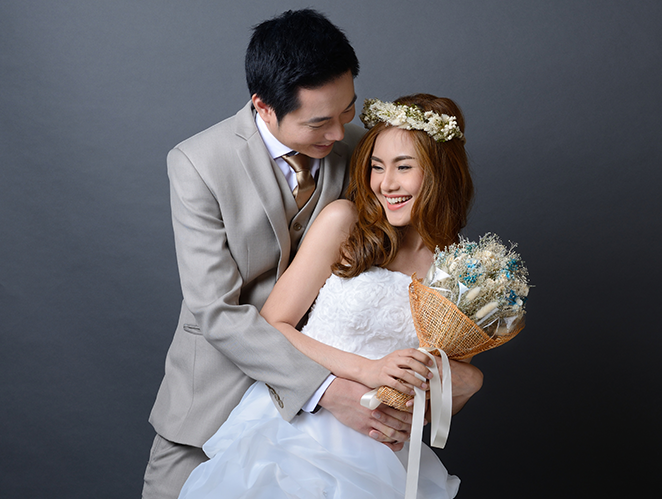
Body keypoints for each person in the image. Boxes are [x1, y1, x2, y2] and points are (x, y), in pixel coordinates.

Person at [143, 10, 444, 498]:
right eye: (319, 122)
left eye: (347, 111)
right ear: (264, 107)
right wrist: (327, 390)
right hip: (214, 398)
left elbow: (404, 259)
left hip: (328, 434)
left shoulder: (363, 152)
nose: (338, 132)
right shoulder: (198, 164)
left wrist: (455, 377)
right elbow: (216, 312)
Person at [177, 94, 482, 498]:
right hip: (296, 431)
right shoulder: (344, 223)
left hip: (380, 452)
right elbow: (273, 325)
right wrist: (367, 370)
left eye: (404, 167)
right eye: (376, 166)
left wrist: (462, 384)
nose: (386, 183)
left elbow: (445, 391)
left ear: (441, 171)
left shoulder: (461, 269)